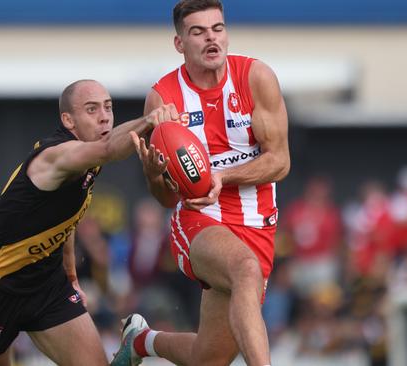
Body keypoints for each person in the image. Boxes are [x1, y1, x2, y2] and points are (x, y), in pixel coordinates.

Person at [112, 1, 290, 365]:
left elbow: (280, 161)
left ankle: (142, 340)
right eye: (198, 32)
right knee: (245, 269)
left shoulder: (255, 77)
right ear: (179, 43)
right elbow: (165, 198)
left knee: (209, 359)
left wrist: (220, 176)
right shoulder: (164, 99)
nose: (211, 39)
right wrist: (152, 173)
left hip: (257, 224)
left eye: (218, 29)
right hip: (198, 220)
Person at [0, 79, 177, 366]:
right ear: (68, 120)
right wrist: (150, 121)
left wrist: (71, 276)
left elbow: (65, 220)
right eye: (91, 109)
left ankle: (133, 344)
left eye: (108, 107)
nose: (104, 116)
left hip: (49, 287)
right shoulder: (57, 154)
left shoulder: (88, 157)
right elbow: (107, 148)